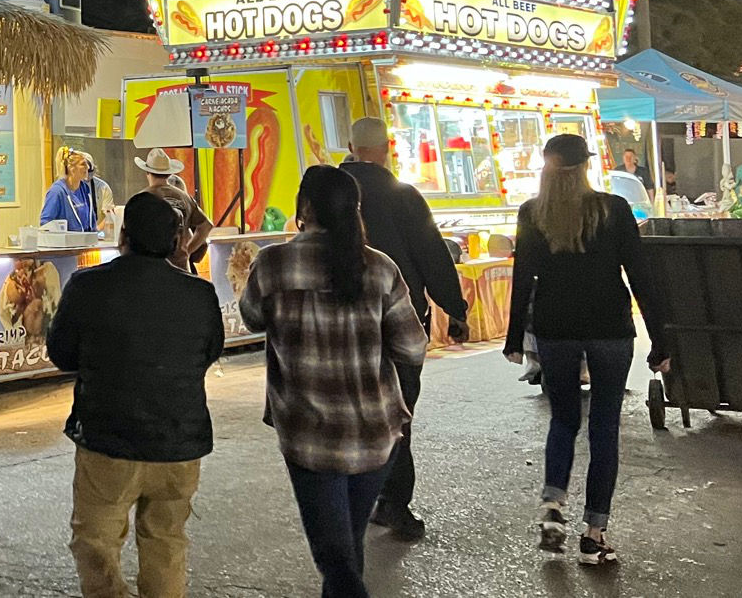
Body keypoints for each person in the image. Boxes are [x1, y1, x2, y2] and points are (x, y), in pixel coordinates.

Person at [240, 166, 427, 598]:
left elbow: (251, 318)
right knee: (346, 549)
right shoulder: (379, 268)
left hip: (309, 434)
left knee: (337, 560)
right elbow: (413, 349)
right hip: (377, 434)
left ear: (305, 207)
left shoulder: (274, 264)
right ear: (354, 210)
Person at [503, 134, 669, 566]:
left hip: (555, 329)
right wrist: (660, 342)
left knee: (562, 419)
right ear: (585, 166)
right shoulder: (613, 210)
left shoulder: (532, 213)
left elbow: (523, 280)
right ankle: (594, 534)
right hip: (610, 329)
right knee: (603, 428)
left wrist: (513, 338)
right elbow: (641, 278)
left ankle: (553, 503)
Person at [49, 193, 224, 598]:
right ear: (177, 240)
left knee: (96, 544)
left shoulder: (88, 285)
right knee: (166, 541)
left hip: (108, 442)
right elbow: (209, 352)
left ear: (122, 236)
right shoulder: (199, 294)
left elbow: (62, 353)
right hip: (180, 444)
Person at [339, 117, 469, 541]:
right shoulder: (404, 196)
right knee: (397, 413)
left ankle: (348, 500)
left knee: (346, 412)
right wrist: (456, 309)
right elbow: (432, 253)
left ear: (350, 146)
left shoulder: (328, 191)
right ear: (387, 147)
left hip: (340, 322)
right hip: (400, 321)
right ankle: (394, 503)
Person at [136, 149, 212, 273]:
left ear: (147, 172)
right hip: (182, 268)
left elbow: (126, 236)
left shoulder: (141, 198)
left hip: (152, 268)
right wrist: (187, 250)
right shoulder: (184, 197)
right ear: (168, 173)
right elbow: (206, 225)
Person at [42, 147, 104, 232]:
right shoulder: (57, 192)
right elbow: (45, 223)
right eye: (83, 164)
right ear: (71, 168)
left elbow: (91, 223)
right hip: (65, 243)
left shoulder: (85, 189)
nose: (88, 167)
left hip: (87, 243)